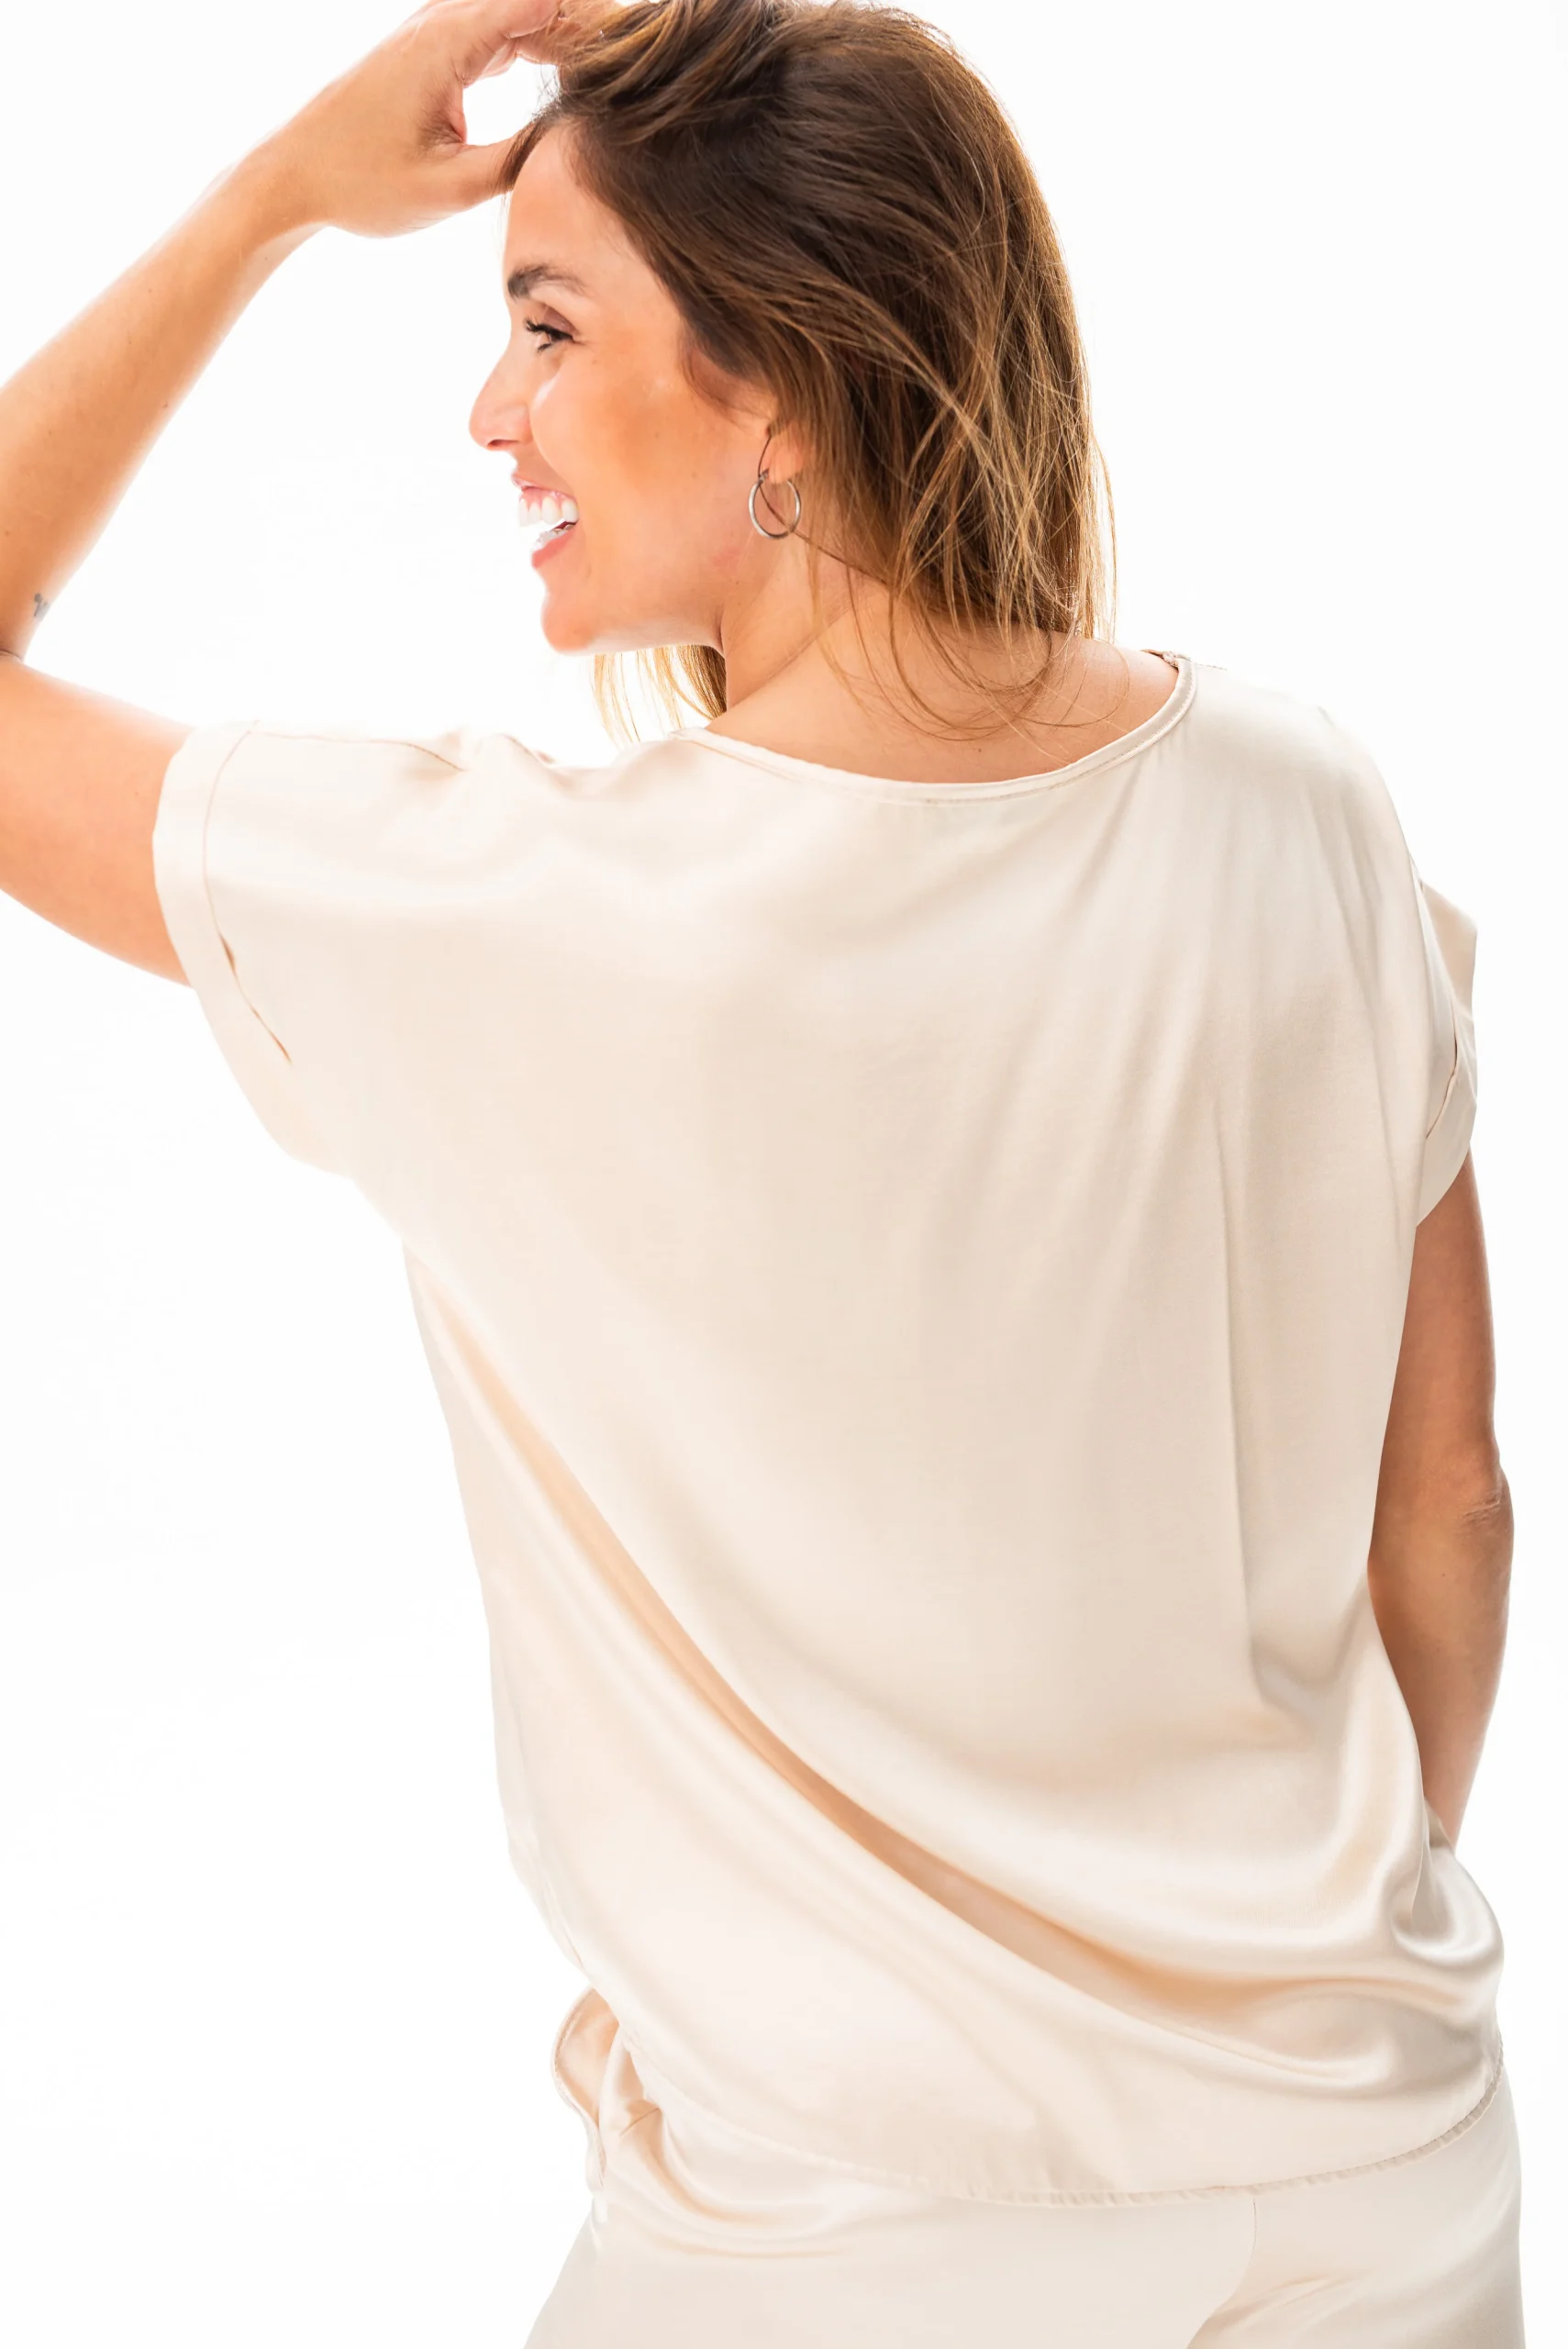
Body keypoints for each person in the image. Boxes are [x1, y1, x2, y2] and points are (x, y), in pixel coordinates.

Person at [0, 0, 1525, 2341]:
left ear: (786, 386)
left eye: (544, 324)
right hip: (1373, 2171)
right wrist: (1293, 1960)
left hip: (843, 2238)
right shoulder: (1302, 802)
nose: (489, 410)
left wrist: (270, 200)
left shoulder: (507, 908)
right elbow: (1448, 1505)